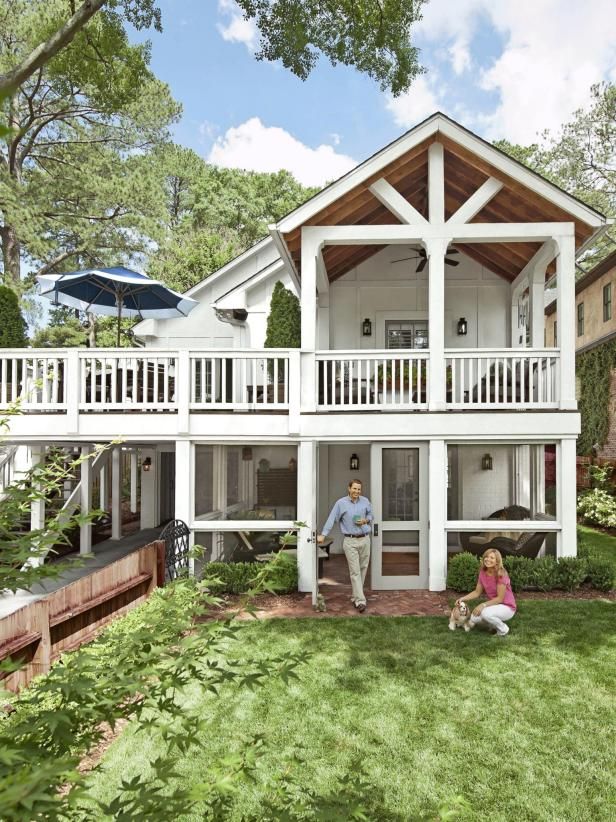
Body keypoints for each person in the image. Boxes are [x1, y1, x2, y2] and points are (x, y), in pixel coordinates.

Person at [318, 479, 372, 612]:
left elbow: (371, 515)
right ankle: (360, 601)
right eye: (354, 489)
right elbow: (332, 519)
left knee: (363, 568)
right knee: (355, 571)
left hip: (365, 539)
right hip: (350, 541)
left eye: (359, 489)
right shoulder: (341, 503)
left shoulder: (365, 501)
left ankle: (355, 596)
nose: (357, 492)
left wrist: (365, 520)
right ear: (349, 488)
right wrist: (323, 534)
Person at [456, 547, 516, 636]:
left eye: (492, 558)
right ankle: (492, 624)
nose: (488, 559)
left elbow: (500, 599)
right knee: (474, 617)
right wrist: (462, 598)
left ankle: (503, 629)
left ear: (497, 561)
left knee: (485, 613)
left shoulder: (501, 574)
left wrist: (482, 605)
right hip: (495, 605)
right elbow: (477, 592)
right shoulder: (482, 572)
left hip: (507, 607)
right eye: (486, 557)